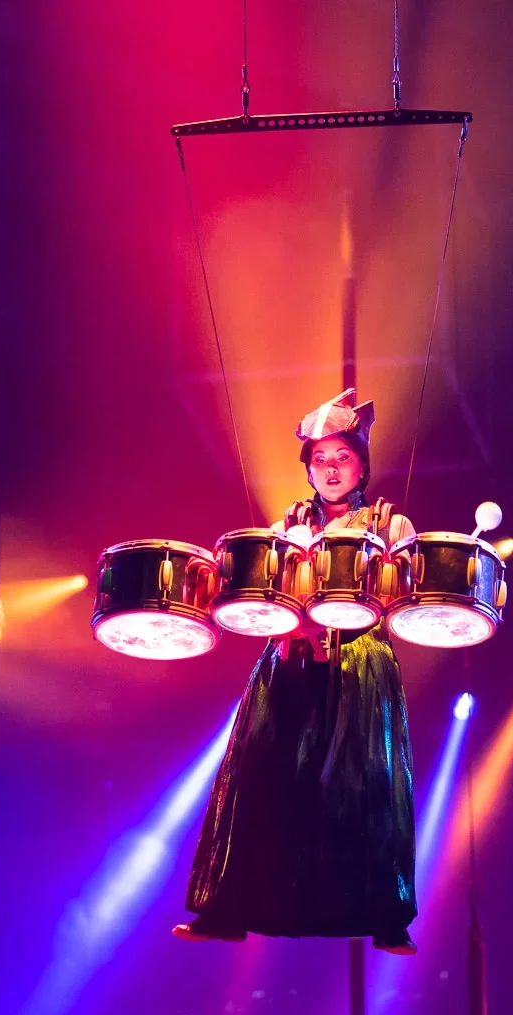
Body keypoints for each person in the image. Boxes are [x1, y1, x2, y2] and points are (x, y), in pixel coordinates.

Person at [173, 388, 418, 954]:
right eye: (320, 460)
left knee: (366, 787)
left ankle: (386, 914)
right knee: (258, 778)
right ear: (308, 469)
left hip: (359, 663)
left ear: (361, 465)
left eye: (342, 458)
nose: (330, 469)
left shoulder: (390, 522)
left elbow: (406, 599)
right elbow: (265, 592)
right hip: (291, 659)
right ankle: (228, 908)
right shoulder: (288, 527)